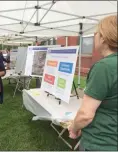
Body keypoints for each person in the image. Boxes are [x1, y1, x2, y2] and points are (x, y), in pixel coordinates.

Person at [68, 15, 117, 151]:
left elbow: (85, 115)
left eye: (96, 33)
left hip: (101, 143)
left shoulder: (104, 67)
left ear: (104, 37)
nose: (94, 36)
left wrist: (73, 127)